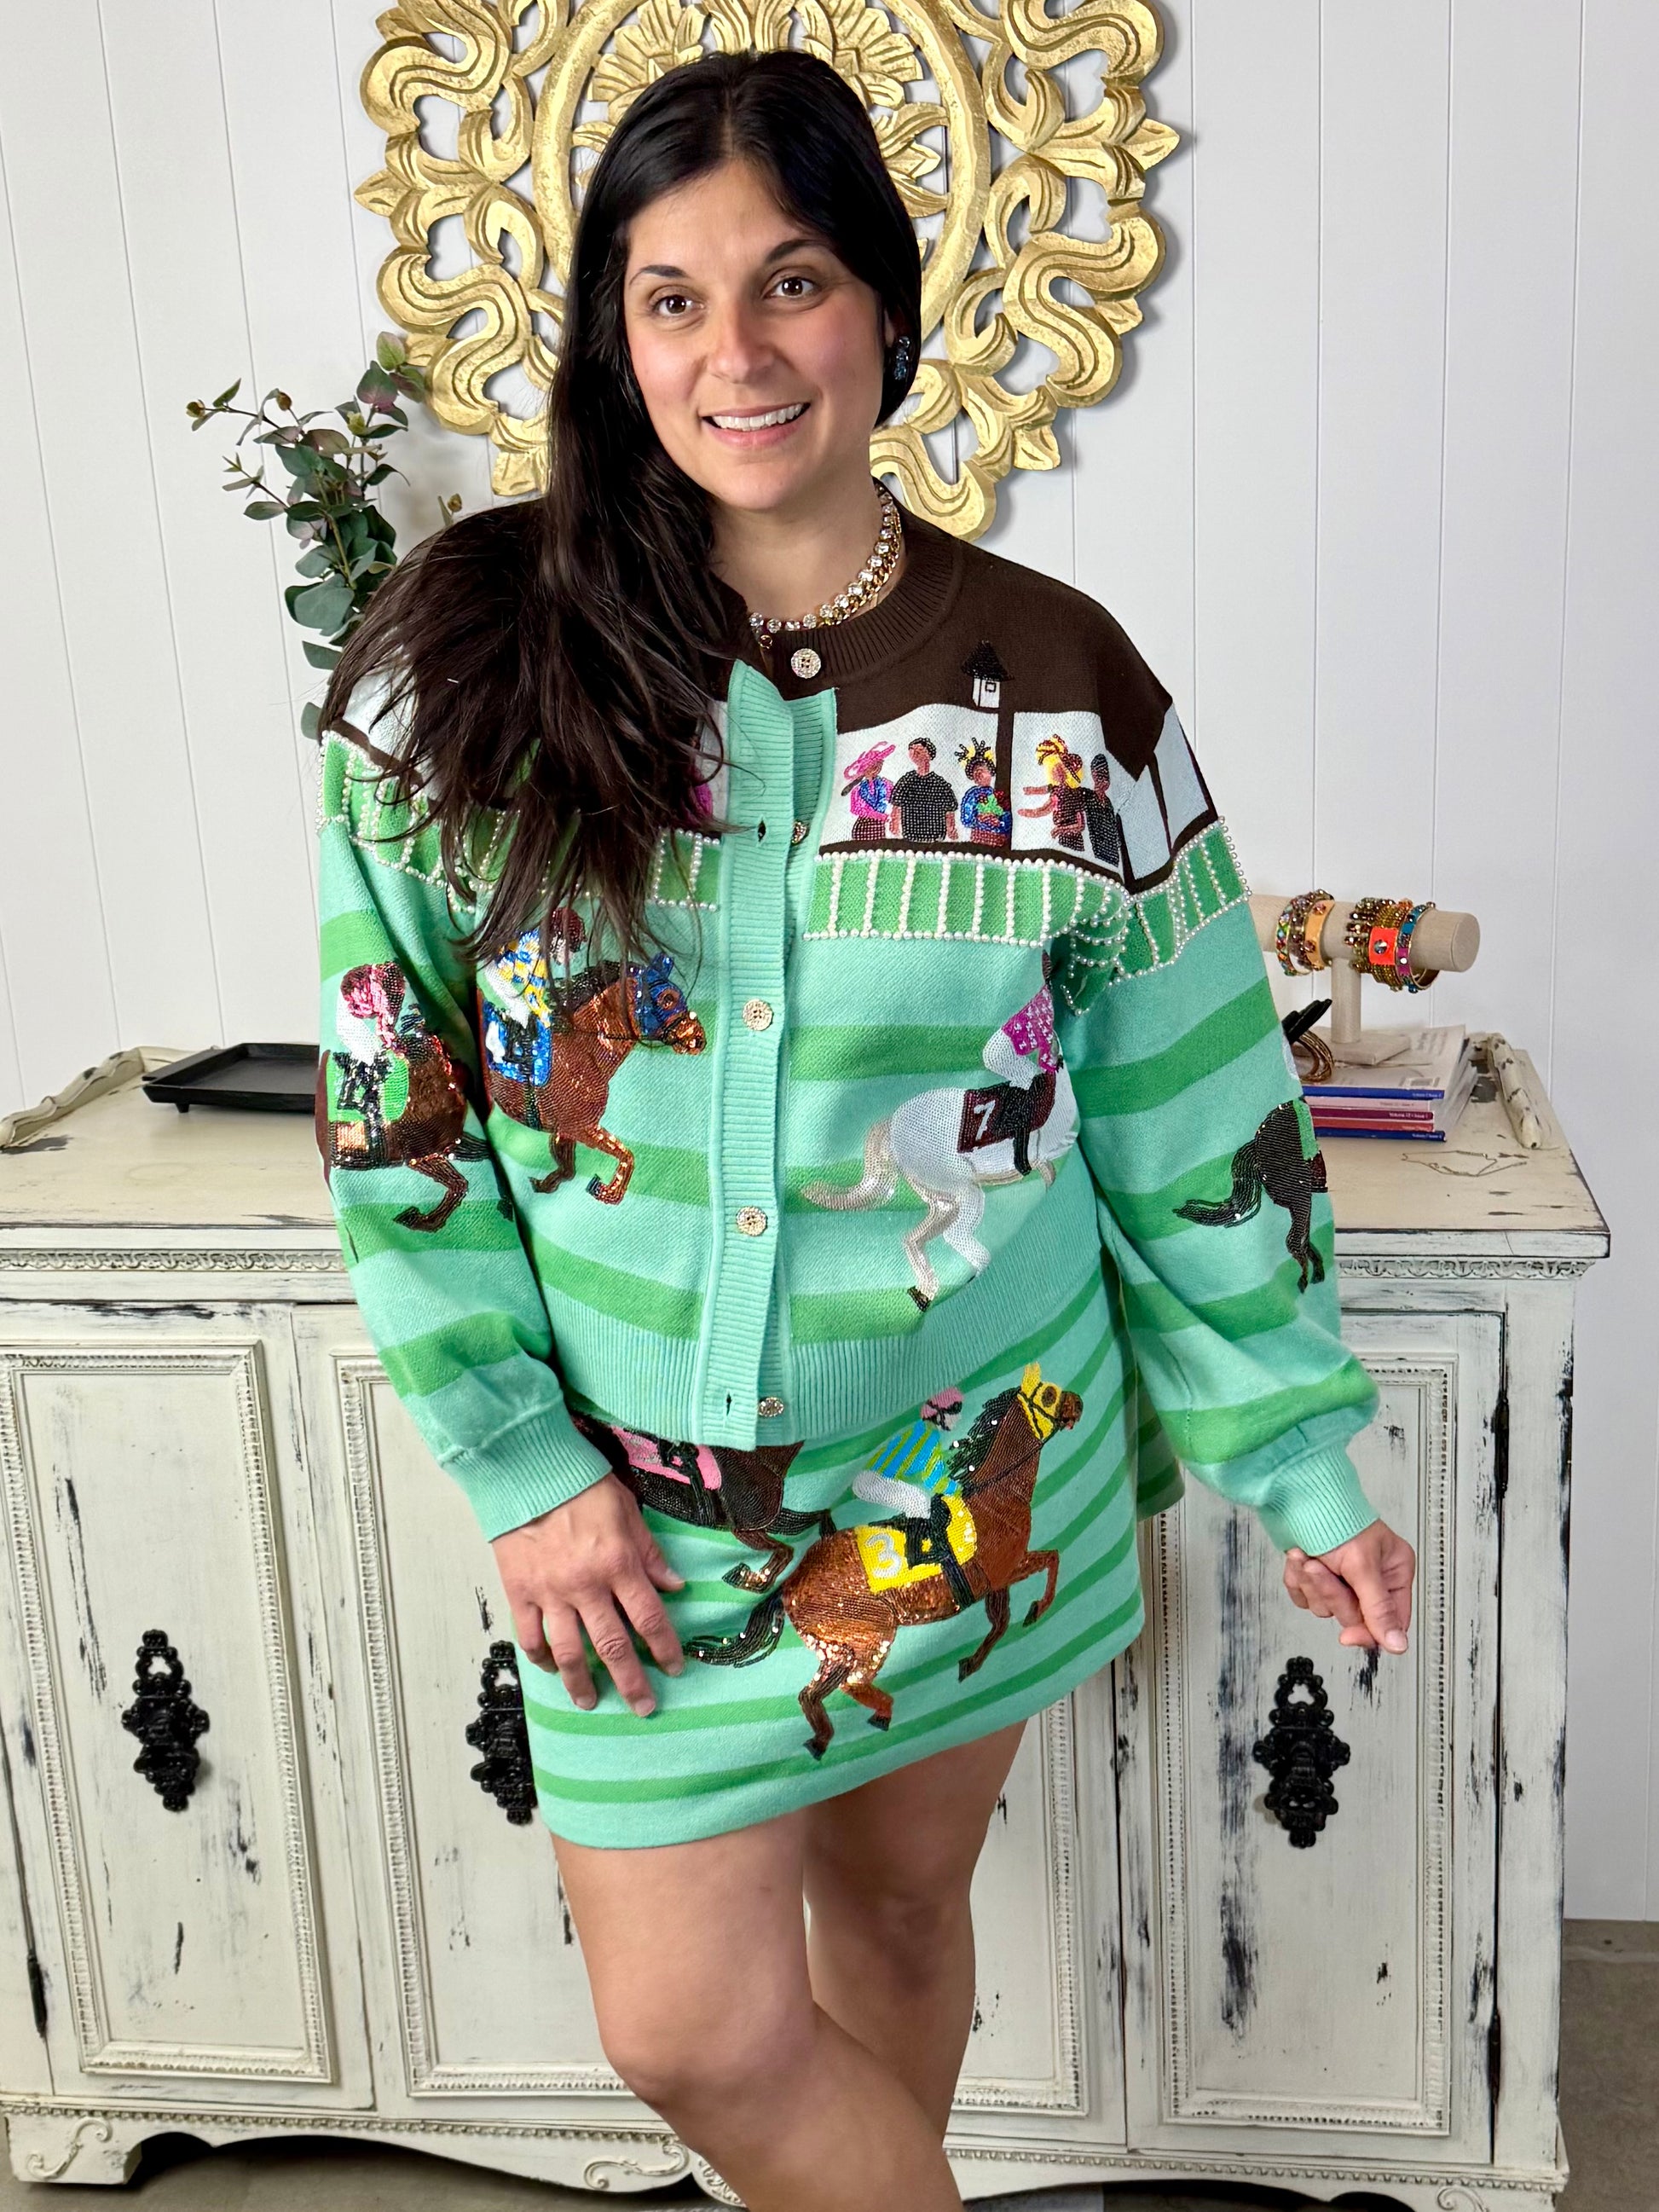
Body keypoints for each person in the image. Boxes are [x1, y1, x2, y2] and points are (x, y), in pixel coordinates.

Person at [312, 47, 1416, 2212]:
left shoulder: (1060, 685)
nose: (735, 350)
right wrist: (522, 1465)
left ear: (887, 312)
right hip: (629, 1519)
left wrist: (1298, 1459)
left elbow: (1188, 1105)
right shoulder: (454, 668)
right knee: (693, 2032)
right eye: (671, 296)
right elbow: (393, 1097)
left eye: (792, 281)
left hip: (972, 1469)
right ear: (613, 336)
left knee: (900, 1919)